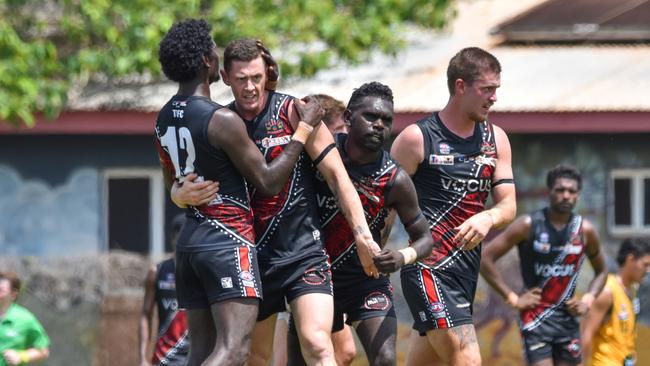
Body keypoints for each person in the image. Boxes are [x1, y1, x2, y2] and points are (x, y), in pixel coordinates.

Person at [173, 38, 381, 366]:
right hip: (250, 257)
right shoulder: (218, 123)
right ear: (225, 78)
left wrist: (362, 235)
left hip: (304, 253)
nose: (251, 87)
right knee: (254, 357)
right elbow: (185, 178)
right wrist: (176, 194)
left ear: (267, 72)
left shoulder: (297, 113)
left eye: (256, 78)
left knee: (318, 344)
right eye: (241, 80)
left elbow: (339, 178)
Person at [155, 19, 324, 366]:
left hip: (189, 244)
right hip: (226, 241)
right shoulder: (221, 119)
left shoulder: (163, 118)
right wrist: (303, 130)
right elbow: (268, 181)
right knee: (234, 350)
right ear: (206, 61)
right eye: (214, 52)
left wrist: (176, 195)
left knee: (200, 351)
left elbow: (171, 181)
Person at [288, 82, 434, 366]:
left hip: (365, 282)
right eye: (371, 117)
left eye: (387, 120)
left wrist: (402, 257)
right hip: (314, 279)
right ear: (348, 118)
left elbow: (425, 238)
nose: (379, 125)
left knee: (386, 359)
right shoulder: (320, 154)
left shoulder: (395, 179)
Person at [390, 47, 517, 366]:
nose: (494, 98)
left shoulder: (496, 139)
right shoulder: (416, 139)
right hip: (426, 269)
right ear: (461, 86)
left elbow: (509, 206)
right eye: (487, 89)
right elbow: (384, 209)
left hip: (464, 274)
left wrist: (489, 217)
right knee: (467, 358)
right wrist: (368, 264)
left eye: (496, 90)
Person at [480, 165, 607, 366]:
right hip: (535, 320)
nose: (566, 195)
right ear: (550, 192)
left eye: (572, 191)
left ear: (578, 196)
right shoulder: (528, 225)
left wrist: (588, 300)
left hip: (568, 320)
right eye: (560, 190)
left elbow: (602, 271)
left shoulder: (585, 231)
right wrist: (512, 298)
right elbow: (485, 258)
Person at [272, 93, 357, 366]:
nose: (341, 144)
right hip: (291, 260)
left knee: (340, 352)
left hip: (324, 267)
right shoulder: (299, 167)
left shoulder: (336, 172)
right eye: (338, 135)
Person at [582, 238, 650, 366]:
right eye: (645, 265)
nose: (648, 270)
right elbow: (586, 334)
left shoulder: (632, 290)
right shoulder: (607, 291)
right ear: (630, 260)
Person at [138, 214, 189, 366]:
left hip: (196, 358)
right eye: (182, 238)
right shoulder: (157, 272)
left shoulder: (203, 274)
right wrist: (142, 359)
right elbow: (145, 315)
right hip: (164, 359)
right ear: (173, 239)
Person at [0, 272, 50, 366]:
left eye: (1, 290)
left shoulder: (25, 319)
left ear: (13, 295)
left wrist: (20, 356)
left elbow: (43, 351)